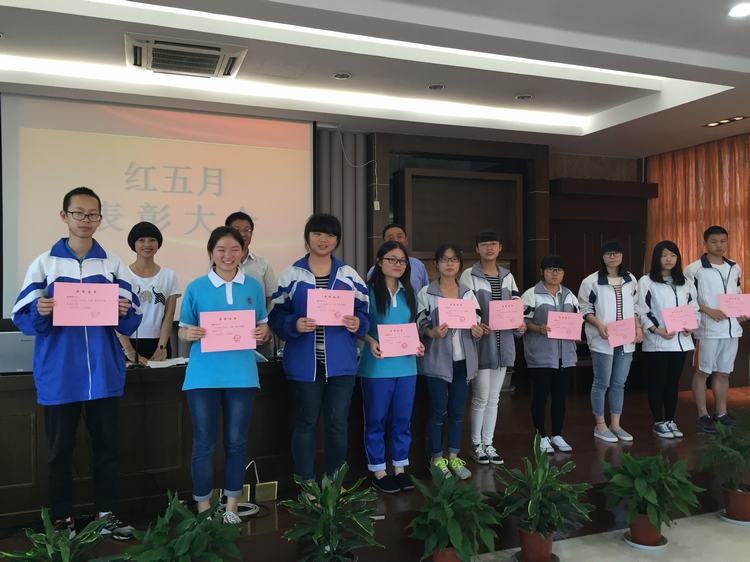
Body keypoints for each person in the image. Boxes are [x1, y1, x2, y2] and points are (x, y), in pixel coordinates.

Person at [11, 186, 141, 540]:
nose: (86, 220)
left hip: (103, 371)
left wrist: (123, 312)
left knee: (107, 449)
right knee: (59, 452)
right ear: (64, 216)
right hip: (60, 372)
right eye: (79, 213)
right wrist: (40, 311)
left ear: (100, 218)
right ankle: (62, 521)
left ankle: (106, 515)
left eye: (92, 214)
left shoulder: (112, 263)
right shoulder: (45, 264)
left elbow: (131, 319)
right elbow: (23, 317)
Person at [178, 226, 271, 524]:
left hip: (242, 375)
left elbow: (263, 326)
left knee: (236, 442)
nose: (228, 255)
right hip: (203, 376)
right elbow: (183, 330)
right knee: (204, 443)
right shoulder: (196, 287)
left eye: (234, 249)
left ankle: (231, 506)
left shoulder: (252, 287)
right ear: (211, 253)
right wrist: (188, 333)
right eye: (221, 249)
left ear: (243, 252)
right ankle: (204, 508)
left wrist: (264, 332)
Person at [268, 213, 369, 483]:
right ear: (308, 237)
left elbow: (364, 314)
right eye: (317, 234)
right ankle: (306, 483)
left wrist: (358, 322)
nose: (323, 240)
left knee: (337, 424)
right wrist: (294, 323)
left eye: (330, 235)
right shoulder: (292, 274)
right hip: (305, 364)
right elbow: (276, 316)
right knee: (306, 423)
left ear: (337, 240)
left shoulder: (349, 275)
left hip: (341, 365)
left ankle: (334, 483)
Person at [359, 241, 424, 493]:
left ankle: (400, 467)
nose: (398, 264)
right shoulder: (367, 292)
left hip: (407, 366)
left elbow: (412, 326)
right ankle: (378, 470)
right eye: (392, 259)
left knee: (402, 420)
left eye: (402, 261)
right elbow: (359, 325)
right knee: (376, 419)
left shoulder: (409, 292)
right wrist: (370, 341)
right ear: (379, 261)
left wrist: (418, 344)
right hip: (377, 367)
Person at [417, 244, 483, 479]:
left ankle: (454, 456)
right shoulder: (426, 292)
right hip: (436, 361)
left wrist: (477, 331)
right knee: (437, 411)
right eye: (444, 259)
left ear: (459, 265)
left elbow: (477, 321)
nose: (449, 263)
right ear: (436, 264)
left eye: (454, 259)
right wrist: (431, 332)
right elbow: (420, 322)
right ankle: (437, 458)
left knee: (456, 411)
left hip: (462, 360)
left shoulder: (467, 293)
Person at [459, 230, 524, 466]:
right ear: (477, 249)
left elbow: (516, 305)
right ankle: (476, 445)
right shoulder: (469, 275)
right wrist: (476, 324)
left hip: (503, 344)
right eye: (484, 244)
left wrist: (520, 324)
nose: (489, 248)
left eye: (493, 244)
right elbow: (465, 309)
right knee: (480, 397)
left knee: (494, 398)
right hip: (481, 345)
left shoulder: (508, 276)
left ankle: (489, 443)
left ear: (500, 248)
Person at [578, 240, 643, 443]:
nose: (612, 257)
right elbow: (584, 309)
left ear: (622, 256)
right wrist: (598, 325)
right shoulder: (591, 281)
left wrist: (638, 328)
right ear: (602, 257)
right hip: (602, 339)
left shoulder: (630, 279)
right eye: (608, 253)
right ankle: (600, 425)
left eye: (616, 253)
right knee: (601, 382)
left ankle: (616, 424)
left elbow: (637, 307)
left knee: (619, 383)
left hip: (626, 339)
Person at [685, 226, 747, 432]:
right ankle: (702, 415)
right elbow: (688, 298)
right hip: (707, 330)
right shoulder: (694, 269)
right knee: (702, 371)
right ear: (705, 243)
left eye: (723, 241)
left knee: (723, 372)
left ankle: (721, 413)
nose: (719, 245)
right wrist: (708, 310)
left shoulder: (734, 267)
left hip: (732, 330)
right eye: (714, 241)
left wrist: (741, 312)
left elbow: (737, 293)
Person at [638, 241, 699, 439]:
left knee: (673, 383)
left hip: (680, 342)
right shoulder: (646, 281)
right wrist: (657, 330)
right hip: (657, 342)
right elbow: (642, 310)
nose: (668, 259)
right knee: (657, 383)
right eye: (664, 255)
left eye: (672, 255)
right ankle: (659, 422)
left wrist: (691, 325)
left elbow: (694, 307)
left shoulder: (685, 282)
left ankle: (670, 420)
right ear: (656, 258)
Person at [522, 255, 579, 453]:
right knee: (540, 397)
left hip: (565, 355)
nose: (555, 274)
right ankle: (541, 436)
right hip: (541, 355)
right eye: (550, 270)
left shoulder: (570, 295)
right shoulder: (531, 294)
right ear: (542, 272)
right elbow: (522, 323)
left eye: (559, 270)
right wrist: (539, 328)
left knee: (560, 397)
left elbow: (577, 320)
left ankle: (557, 434)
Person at [117, 222, 180, 365]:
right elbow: (115, 316)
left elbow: (169, 315)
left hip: (159, 344)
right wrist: (129, 350)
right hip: (126, 344)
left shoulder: (168, 275)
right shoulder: (121, 275)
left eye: (152, 240)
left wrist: (162, 346)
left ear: (158, 244)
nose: (147, 244)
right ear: (133, 244)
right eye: (141, 240)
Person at [225, 211, 277, 311]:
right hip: (227, 319)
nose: (242, 234)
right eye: (237, 230)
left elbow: (270, 297)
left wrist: (263, 317)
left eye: (247, 230)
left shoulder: (263, 265)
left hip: (257, 320)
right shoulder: (218, 265)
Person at [367, 223, 429, 293]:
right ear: (384, 243)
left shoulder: (418, 265)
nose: (396, 240)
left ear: (406, 240)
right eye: (391, 238)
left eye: (399, 237)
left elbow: (426, 292)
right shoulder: (373, 270)